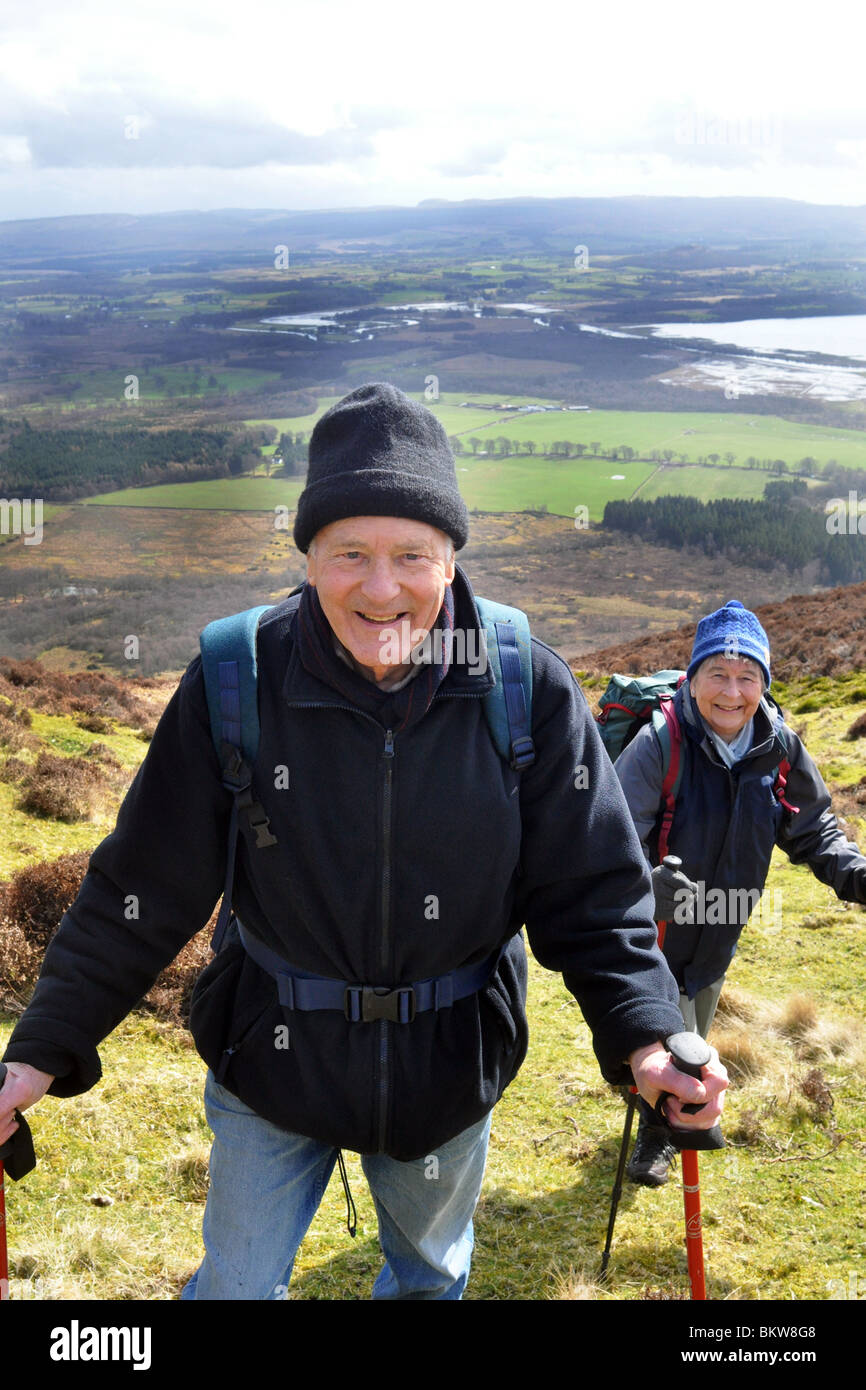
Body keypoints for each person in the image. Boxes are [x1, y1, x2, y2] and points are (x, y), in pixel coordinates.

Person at [0, 383, 726, 1300]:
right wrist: (40, 1050)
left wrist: (652, 1036)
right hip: (270, 1052)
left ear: (451, 560)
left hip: (447, 1064)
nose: (381, 590)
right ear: (307, 557)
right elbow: (139, 890)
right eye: (349, 552)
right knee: (234, 1288)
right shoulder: (237, 678)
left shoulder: (522, 688)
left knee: (427, 1281)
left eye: (412, 555)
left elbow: (594, 896)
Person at [614, 598, 866, 1188]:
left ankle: (686, 1112)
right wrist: (646, 889)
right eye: (718, 675)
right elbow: (610, 839)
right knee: (657, 1033)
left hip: (720, 928)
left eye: (747, 676)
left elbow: (814, 827)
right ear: (694, 678)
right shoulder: (660, 745)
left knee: (694, 1032)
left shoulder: (778, 748)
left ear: (763, 683)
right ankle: (658, 1134)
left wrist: (856, 875)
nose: (732, 692)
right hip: (655, 928)